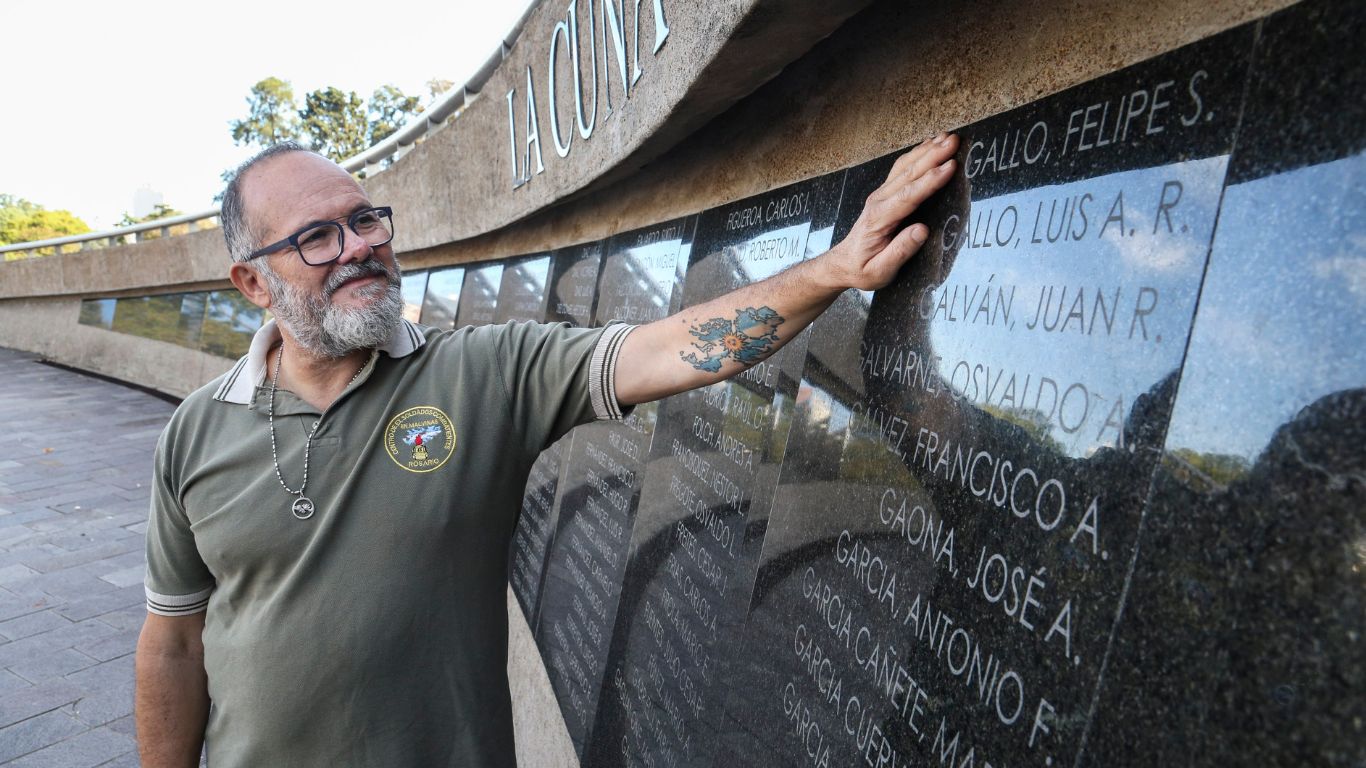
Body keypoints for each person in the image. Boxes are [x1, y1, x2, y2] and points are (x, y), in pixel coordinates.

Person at [134, 132, 961, 767]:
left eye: (364, 220)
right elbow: (172, 639)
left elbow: (667, 348)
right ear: (252, 282)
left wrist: (833, 269)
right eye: (317, 237)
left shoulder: (485, 372)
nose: (357, 246)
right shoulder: (197, 432)